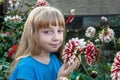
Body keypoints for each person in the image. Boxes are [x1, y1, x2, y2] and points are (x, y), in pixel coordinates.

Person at [9, 6, 80, 80]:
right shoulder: (26, 67)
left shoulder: (54, 59)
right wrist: (60, 77)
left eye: (59, 31)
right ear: (32, 34)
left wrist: (69, 69)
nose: (56, 38)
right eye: (47, 32)